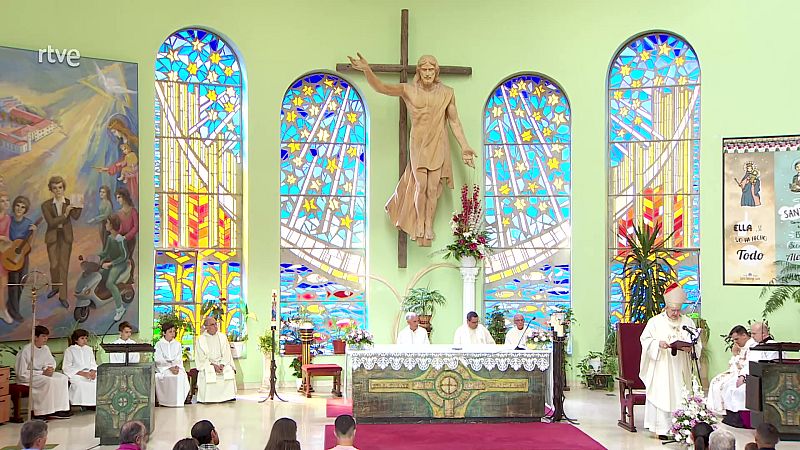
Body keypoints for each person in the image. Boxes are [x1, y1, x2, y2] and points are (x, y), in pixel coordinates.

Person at [347, 53, 477, 247]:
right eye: (424, 69)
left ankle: (427, 224)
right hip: (418, 143)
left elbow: (454, 122)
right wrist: (367, 70)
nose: (427, 73)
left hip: (437, 143)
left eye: (431, 69)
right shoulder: (408, 90)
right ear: (418, 71)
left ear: (436, 71)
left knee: (433, 188)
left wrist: (465, 146)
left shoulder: (447, 93)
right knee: (420, 186)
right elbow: (382, 88)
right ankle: (418, 224)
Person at [639, 283, 701, 439]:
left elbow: (696, 342)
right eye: (673, 310)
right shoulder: (655, 322)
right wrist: (657, 344)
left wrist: (691, 348)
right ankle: (662, 429)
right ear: (666, 307)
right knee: (663, 394)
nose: (675, 313)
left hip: (681, 366)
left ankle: (682, 427)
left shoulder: (688, 322)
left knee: (680, 394)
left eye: (678, 310)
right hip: (662, 365)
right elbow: (645, 339)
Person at [722, 321, 779, 427]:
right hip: (752, 378)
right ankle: (734, 417)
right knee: (730, 387)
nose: (751, 336)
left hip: (766, 381)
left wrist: (746, 378)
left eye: (754, 334)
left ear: (763, 333)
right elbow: (748, 364)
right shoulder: (757, 346)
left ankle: (745, 421)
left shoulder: (773, 346)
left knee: (741, 391)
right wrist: (742, 376)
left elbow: (771, 367)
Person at [41, 175, 82, 309]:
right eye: (55, 188)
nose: (58, 190)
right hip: (53, 236)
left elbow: (75, 217)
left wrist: (79, 206)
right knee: (54, 265)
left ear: (63, 188)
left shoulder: (69, 202)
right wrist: (65, 215)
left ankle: (63, 296)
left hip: (65, 237)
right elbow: (51, 223)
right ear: (51, 190)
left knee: (63, 266)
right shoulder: (46, 205)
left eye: (60, 187)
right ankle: (55, 287)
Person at [15, 325, 71, 419]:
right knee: (46, 381)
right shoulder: (26, 350)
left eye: (46, 336)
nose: (46, 339)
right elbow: (21, 372)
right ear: (35, 337)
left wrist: (50, 369)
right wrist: (42, 373)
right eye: (43, 336)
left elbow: (50, 362)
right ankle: (41, 412)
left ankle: (58, 409)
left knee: (62, 378)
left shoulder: (45, 348)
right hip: (28, 377)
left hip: (43, 374)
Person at [706, 325, 754, 414]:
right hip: (737, 372)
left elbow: (747, 364)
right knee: (715, 381)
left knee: (724, 385)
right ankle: (718, 410)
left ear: (744, 335)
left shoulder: (752, 346)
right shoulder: (744, 346)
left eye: (736, 339)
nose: (735, 342)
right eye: (734, 340)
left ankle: (727, 411)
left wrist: (735, 355)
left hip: (745, 375)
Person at [6, 195, 37, 322]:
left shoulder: (28, 223)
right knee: (13, 284)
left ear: (26, 210)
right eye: (18, 206)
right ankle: (15, 311)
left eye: (23, 207)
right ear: (14, 207)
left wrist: (34, 233)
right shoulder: (8, 221)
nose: (20, 209)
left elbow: (31, 245)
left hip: (23, 258)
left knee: (21, 282)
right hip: (10, 257)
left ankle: (11, 306)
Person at [195, 316, 236, 403]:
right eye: (213, 324)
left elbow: (226, 353)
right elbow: (201, 358)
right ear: (206, 327)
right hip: (209, 364)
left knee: (228, 370)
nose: (216, 326)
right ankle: (208, 398)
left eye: (216, 324)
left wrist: (222, 364)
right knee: (208, 372)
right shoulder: (200, 340)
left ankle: (228, 396)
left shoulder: (222, 337)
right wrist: (213, 366)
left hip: (221, 363)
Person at [98, 214, 129, 321]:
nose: (105, 225)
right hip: (111, 263)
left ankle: (120, 308)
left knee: (110, 283)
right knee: (99, 274)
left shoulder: (120, 239)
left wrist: (111, 263)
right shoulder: (110, 237)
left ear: (111, 225)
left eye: (107, 223)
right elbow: (106, 252)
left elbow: (124, 256)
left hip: (120, 264)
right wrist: (96, 257)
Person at [154, 321, 191, 407]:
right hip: (164, 369)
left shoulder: (177, 344)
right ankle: (165, 402)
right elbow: (158, 359)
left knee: (181, 376)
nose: (173, 334)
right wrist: (169, 367)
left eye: (174, 331)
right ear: (164, 333)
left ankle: (179, 401)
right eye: (170, 332)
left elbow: (178, 358)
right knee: (165, 377)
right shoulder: (159, 344)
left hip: (176, 368)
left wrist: (176, 367)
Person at [62, 328, 98, 408]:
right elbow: (67, 367)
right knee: (81, 384)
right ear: (76, 340)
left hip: (89, 373)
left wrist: (92, 372)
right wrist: (83, 374)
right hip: (76, 374)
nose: (85, 340)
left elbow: (93, 363)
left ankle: (93, 404)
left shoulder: (89, 349)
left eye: (86, 338)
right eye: (82, 338)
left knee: (96, 382)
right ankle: (82, 403)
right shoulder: (70, 350)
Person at [115, 188, 138, 279]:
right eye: (117, 198)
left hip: (130, 238)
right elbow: (119, 227)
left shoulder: (133, 211)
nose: (118, 200)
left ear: (124, 197)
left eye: (119, 197)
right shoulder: (119, 213)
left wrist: (126, 237)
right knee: (121, 258)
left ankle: (130, 277)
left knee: (128, 257)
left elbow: (135, 227)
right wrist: (118, 235)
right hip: (121, 238)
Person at [0, 192, 12, 323]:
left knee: (3, 284)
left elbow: (7, 236)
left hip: (2, 252)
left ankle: (3, 310)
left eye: (6, 200)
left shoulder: (8, 218)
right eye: (2, 201)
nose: (5, 203)